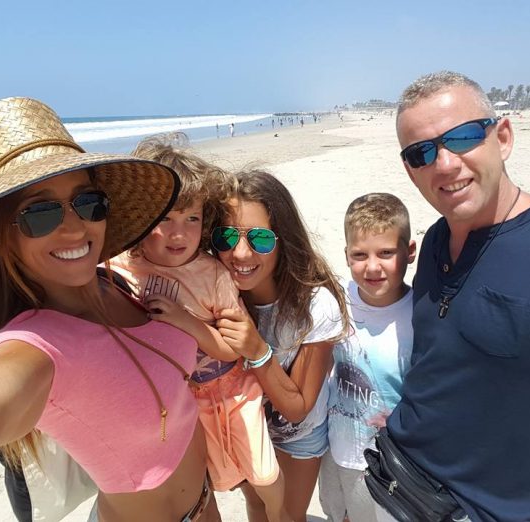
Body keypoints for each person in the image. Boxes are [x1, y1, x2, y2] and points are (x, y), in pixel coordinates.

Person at [0, 97, 215, 522]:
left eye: (88, 202)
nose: (75, 226)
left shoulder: (115, 285)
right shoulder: (35, 346)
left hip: (206, 503)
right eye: (39, 213)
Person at [385, 71, 530, 522]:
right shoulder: (436, 240)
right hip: (396, 484)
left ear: (503, 137)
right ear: (410, 169)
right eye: (421, 152)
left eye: (461, 138)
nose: (444, 164)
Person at [110, 134, 290, 521]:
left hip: (233, 389)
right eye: (165, 219)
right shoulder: (121, 267)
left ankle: (280, 515)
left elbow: (231, 348)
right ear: (141, 217)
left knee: (262, 471)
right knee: (217, 479)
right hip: (184, 402)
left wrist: (185, 321)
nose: (180, 233)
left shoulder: (212, 274)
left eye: (191, 219)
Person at [213, 169, 350, 522]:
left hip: (297, 436)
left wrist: (257, 350)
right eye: (227, 237)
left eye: (259, 239)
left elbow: (297, 408)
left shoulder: (315, 306)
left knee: (287, 514)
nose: (240, 253)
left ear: (283, 239)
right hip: (248, 428)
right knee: (257, 508)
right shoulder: (216, 295)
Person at [320, 193, 416, 522]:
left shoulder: (421, 316)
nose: (372, 266)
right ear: (347, 255)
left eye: (386, 253)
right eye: (359, 255)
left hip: (389, 464)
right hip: (336, 449)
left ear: (410, 252)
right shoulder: (336, 301)